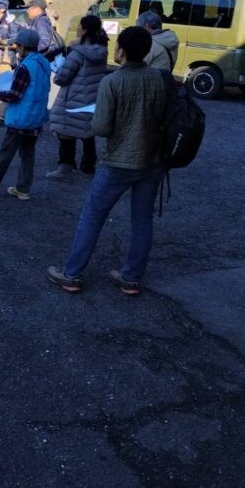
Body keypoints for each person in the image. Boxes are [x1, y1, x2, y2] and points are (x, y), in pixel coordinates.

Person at [47, 26, 168, 296]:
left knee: (93, 216)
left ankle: (72, 274)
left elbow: (101, 127)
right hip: (153, 160)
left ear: (121, 51)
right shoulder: (159, 78)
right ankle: (131, 278)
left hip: (119, 161)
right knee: (142, 220)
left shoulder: (112, 81)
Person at [0, 29, 51, 201]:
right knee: (27, 155)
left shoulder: (24, 67)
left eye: (17, 46)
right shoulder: (44, 63)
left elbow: (14, 95)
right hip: (37, 117)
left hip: (21, 118)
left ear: (23, 47)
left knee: (5, 154)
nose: (15, 48)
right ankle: (23, 189)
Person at [46, 15, 109, 179]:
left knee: (66, 131)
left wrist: (57, 73)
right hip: (91, 96)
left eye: (80, 25)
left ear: (85, 30)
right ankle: (88, 167)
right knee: (87, 132)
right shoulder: (101, 50)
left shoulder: (77, 53)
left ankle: (66, 166)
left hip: (73, 97)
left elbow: (62, 78)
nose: (78, 28)